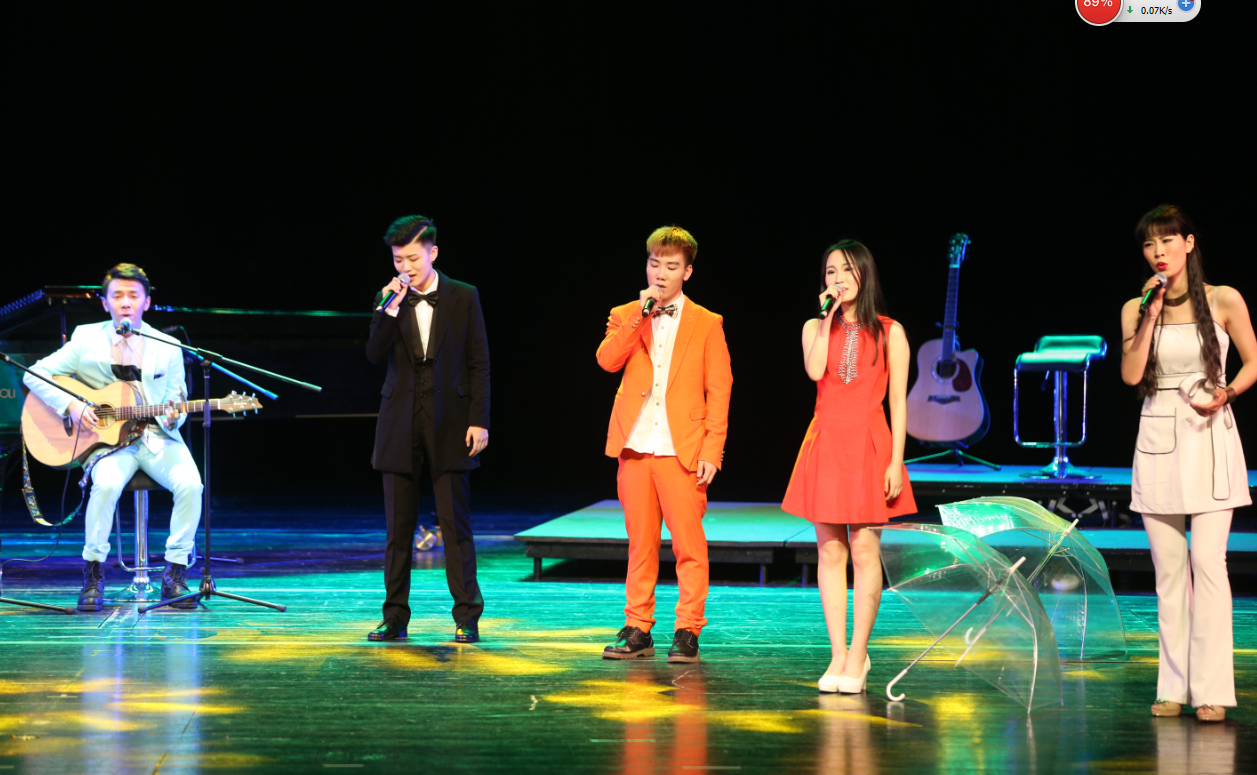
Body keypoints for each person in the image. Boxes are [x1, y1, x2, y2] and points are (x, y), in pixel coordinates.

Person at [1120, 204, 1254, 722]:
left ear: (1189, 243)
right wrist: (1150, 314)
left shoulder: (1223, 299)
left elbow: (1253, 360)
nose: (1158, 252)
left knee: (1209, 565)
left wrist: (1227, 393)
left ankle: (1213, 689)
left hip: (1210, 435)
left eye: (1167, 241)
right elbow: (1131, 376)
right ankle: (1172, 687)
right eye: (1149, 244)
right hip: (1158, 436)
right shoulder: (1136, 307)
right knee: (1170, 572)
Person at [23, 263, 202, 611]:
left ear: (146, 302)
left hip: (157, 436)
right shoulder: (85, 339)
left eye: (133, 296)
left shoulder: (168, 345)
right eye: (117, 295)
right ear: (105, 303)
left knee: (192, 485)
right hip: (108, 444)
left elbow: (177, 396)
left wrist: (174, 414)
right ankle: (93, 574)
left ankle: (175, 573)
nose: (125, 302)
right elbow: (34, 373)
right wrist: (72, 405)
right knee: (105, 485)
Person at [782, 240, 916, 693]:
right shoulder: (813, 327)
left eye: (846, 270)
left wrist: (896, 461)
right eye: (830, 271)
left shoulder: (891, 332)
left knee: (863, 551)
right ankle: (838, 653)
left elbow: (898, 403)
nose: (837, 278)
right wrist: (825, 319)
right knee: (829, 551)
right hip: (826, 443)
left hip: (868, 446)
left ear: (864, 274)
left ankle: (859, 654)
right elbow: (815, 371)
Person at [597, 225, 732, 663]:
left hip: (683, 449)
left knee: (689, 547)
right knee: (641, 544)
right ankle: (637, 627)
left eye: (671, 266)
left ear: (687, 271)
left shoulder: (707, 322)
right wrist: (640, 314)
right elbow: (607, 360)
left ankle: (688, 629)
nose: (660, 273)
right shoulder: (625, 313)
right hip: (636, 445)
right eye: (654, 264)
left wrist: (712, 450)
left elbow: (720, 390)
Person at [366, 215, 490, 644]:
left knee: (455, 526)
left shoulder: (464, 295)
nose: (406, 268)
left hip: (451, 422)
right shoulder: (388, 299)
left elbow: (479, 363)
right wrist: (389, 309)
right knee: (398, 530)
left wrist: (479, 419)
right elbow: (373, 354)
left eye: (413, 259)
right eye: (398, 260)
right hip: (399, 423)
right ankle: (394, 617)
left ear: (433, 253)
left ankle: (467, 616)